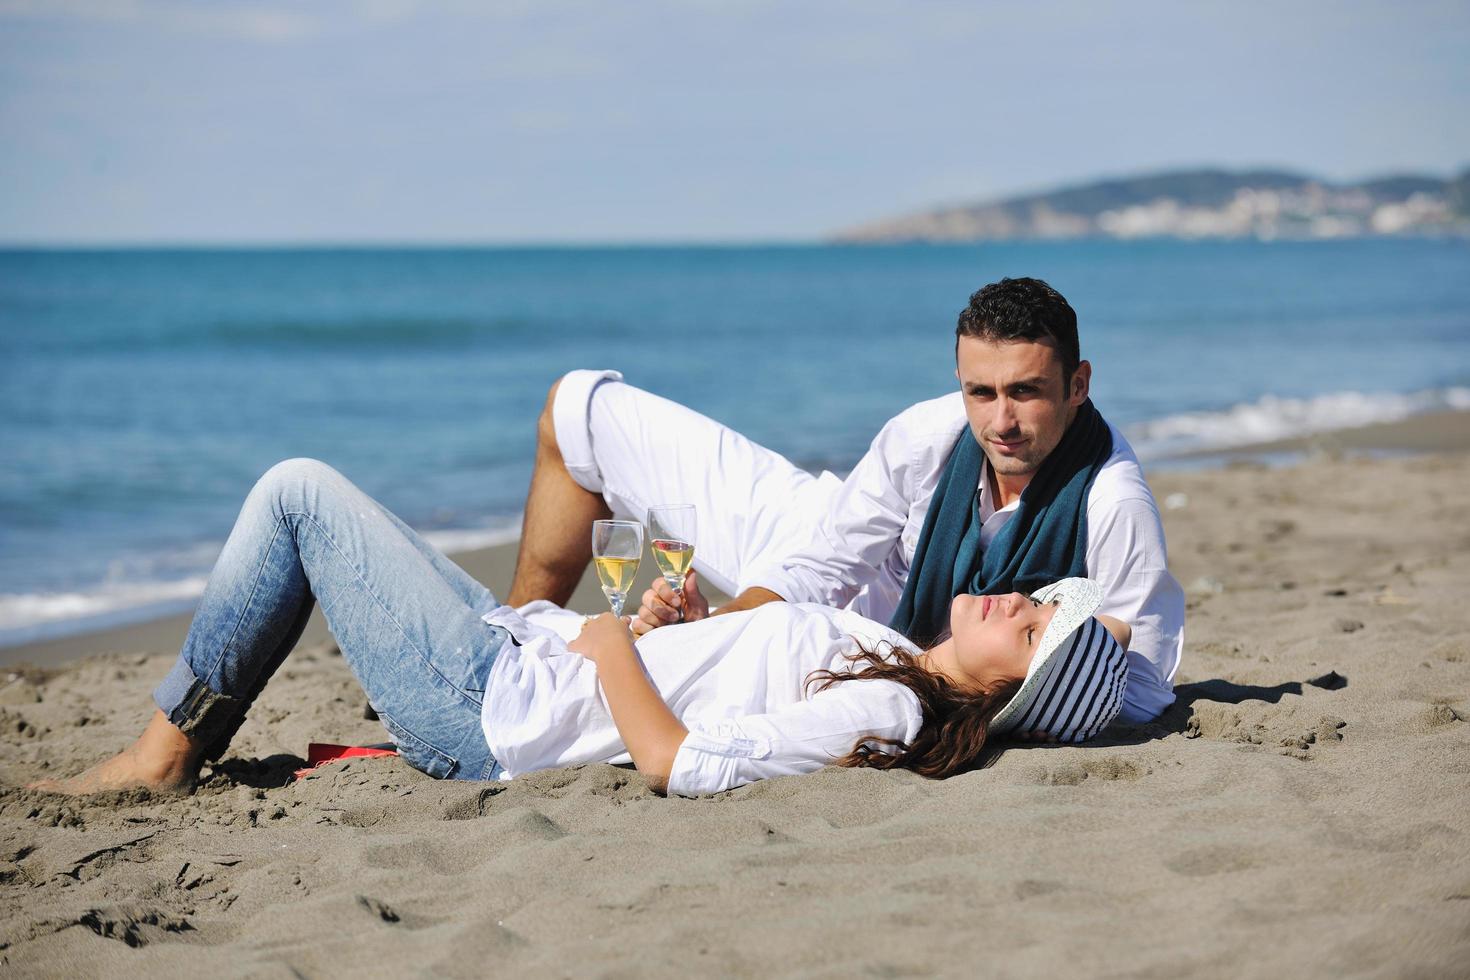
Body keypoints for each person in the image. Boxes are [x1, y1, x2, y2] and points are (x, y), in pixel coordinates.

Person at [30, 460, 1128, 798]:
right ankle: (175, 736)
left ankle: (167, 751)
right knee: (313, 504)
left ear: (1004, 692)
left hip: (495, 708)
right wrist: (667, 634)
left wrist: (612, 652)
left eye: (1028, 625)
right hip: (522, 652)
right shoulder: (887, 650)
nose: (1010, 597)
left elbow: (686, 762)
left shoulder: (895, 700)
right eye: (1033, 597)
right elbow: (722, 697)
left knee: (297, 492)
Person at [506, 277, 1184, 723]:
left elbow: (1145, 686)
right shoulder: (928, 436)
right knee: (576, 409)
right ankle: (509, 637)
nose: (1000, 421)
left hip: (872, 657)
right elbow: (823, 565)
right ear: (961, 381)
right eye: (982, 392)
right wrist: (719, 622)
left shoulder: (1112, 501)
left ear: (1078, 385)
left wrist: (986, 695)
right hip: (818, 551)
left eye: (1026, 392)